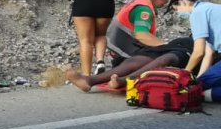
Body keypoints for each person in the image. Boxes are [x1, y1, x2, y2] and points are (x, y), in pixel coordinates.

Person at [64, 36, 195, 92]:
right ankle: (90, 80)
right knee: (138, 59)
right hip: (171, 46)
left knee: (165, 59)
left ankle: (124, 81)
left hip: (191, 51)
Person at [169, 0, 221, 102]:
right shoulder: (209, 8)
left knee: (197, 89)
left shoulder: (197, 13)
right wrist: (198, 79)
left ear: (183, 2)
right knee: (200, 84)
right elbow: (209, 53)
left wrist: (184, 75)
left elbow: (198, 52)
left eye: (176, 9)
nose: (178, 13)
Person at [105, 0, 173, 64]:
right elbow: (141, 35)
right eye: (167, 0)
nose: (165, 4)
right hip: (124, 50)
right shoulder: (144, 10)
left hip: (116, 41)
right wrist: (166, 46)